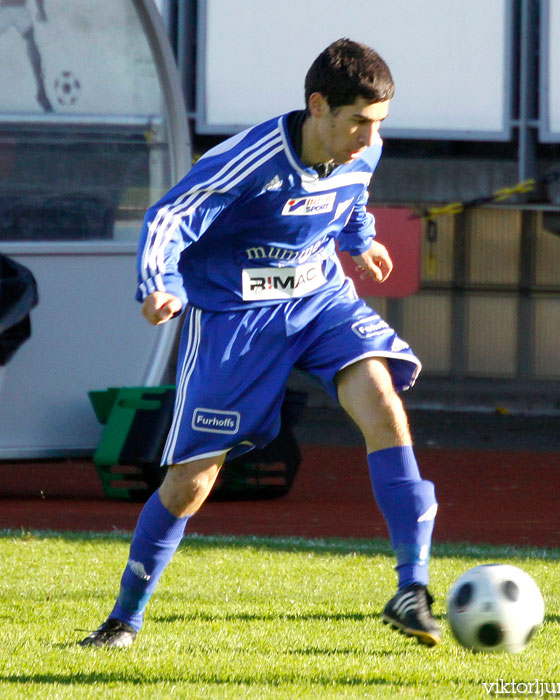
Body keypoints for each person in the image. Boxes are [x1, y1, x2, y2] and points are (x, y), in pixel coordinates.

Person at [80, 38, 440, 649]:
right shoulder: (247, 159)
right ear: (318, 106)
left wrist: (360, 240)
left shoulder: (364, 147)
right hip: (234, 317)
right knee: (191, 482)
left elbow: (352, 197)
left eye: (378, 123)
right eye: (358, 121)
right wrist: (159, 282)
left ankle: (412, 587)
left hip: (319, 299)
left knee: (382, 399)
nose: (369, 137)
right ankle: (124, 618)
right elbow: (170, 217)